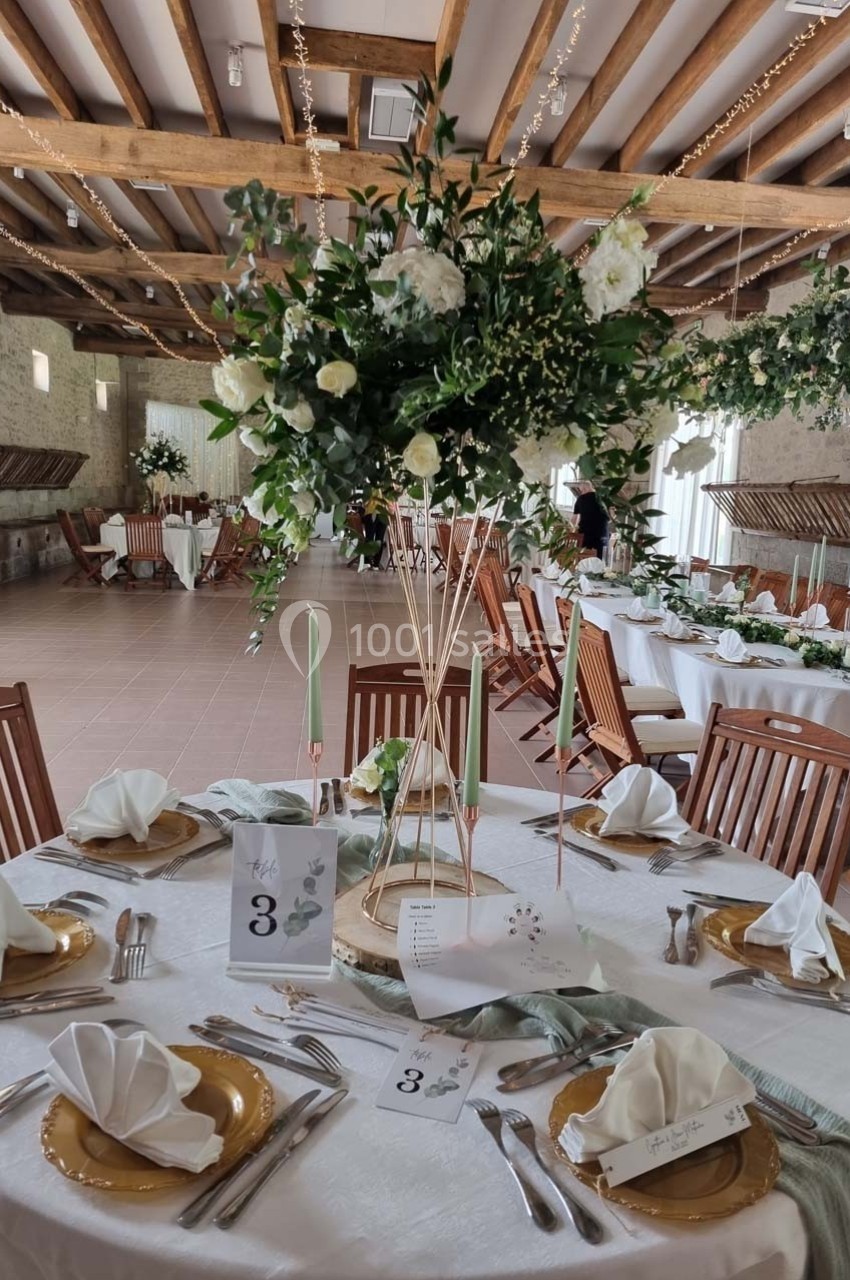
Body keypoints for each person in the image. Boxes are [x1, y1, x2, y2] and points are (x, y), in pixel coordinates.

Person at [572, 481, 609, 558]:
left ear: (585, 489)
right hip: (602, 533)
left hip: (586, 534)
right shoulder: (603, 498)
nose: (581, 493)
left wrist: (571, 530)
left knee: (584, 557)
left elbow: (574, 519)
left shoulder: (581, 499)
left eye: (581, 491)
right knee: (601, 557)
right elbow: (611, 516)